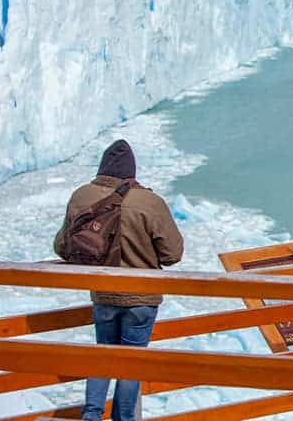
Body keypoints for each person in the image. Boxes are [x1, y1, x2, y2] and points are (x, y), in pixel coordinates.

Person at [54, 140, 184, 420]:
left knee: (103, 356)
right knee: (131, 363)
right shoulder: (150, 202)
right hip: (141, 297)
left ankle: (91, 415)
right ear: (132, 173)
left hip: (102, 293)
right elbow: (173, 254)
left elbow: (63, 246)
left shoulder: (81, 196)